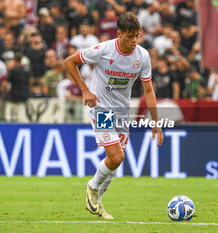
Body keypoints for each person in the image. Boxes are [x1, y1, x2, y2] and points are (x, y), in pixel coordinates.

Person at [64, 12, 164, 219]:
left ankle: (97, 203)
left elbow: (148, 90)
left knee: (116, 162)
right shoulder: (103, 50)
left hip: (121, 112)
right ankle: (92, 187)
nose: (134, 40)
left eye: (137, 35)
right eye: (130, 36)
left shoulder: (143, 56)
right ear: (119, 34)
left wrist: (156, 122)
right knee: (117, 156)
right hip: (101, 109)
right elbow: (69, 62)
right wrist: (84, 90)